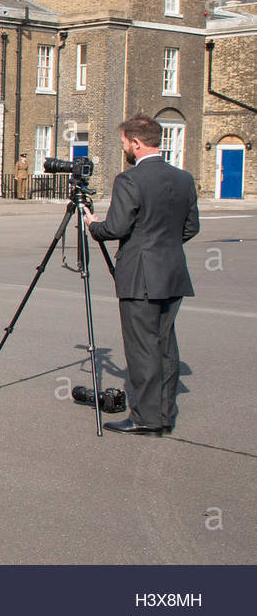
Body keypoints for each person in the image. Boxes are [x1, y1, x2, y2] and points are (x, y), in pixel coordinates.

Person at [82, 113, 199, 436]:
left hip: (141, 276)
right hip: (173, 271)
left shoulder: (130, 180)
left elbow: (116, 228)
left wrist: (93, 225)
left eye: (125, 144)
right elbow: (191, 227)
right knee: (165, 345)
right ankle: (164, 413)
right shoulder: (184, 178)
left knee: (142, 348)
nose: (125, 149)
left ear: (135, 143)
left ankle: (146, 417)